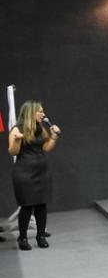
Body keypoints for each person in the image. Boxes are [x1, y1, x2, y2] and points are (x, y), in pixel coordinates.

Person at [8, 100, 60, 250]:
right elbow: (13, 152)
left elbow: (46, 147)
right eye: (40, 111)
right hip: (24, 173)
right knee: (27, 206)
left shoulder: (40, 128)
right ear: (31, 112)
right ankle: (23, 238)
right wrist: (17, 139)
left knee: (41, 205)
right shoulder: (17, 129)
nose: (43, 114)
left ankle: (41, 236)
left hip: (42, 172)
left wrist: (54, 136)